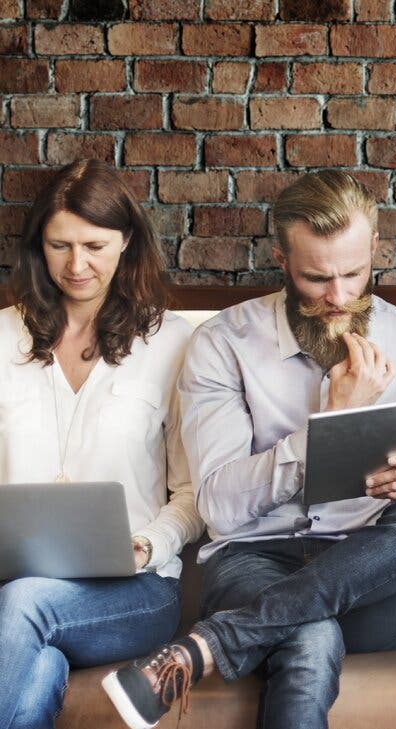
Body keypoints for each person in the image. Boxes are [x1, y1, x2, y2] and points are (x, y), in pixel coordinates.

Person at [102, 170, 396, 729]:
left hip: (378, 581)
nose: (339, 296)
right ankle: (252, 628)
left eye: (354, 272)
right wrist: (328, 425)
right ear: (281, 258)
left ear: (375, 247)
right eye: (316, 278)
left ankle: (209, 645)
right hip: (254, 564)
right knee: (310, 630)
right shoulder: (223, 344)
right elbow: (219, 507)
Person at [0, 160, 203, 729]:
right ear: (39, 246)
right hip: (15, 587)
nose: (76, 264)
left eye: (94, 244)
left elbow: (192, 494)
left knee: (23, 606)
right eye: (59, 245)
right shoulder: (0, 338)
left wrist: (146, 545)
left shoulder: (173, 344)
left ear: (127, 241)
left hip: (134, 592)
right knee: (35, 666)